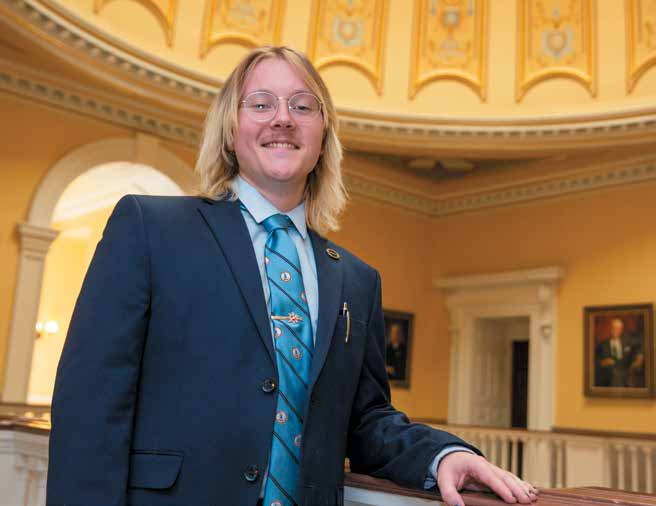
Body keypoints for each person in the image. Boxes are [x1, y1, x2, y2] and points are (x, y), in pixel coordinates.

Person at [47, 46, 538, 506]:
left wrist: (446, 455)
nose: (283, 118)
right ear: (230, 129)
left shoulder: (358, 280)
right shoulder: (149, 229)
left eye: (303, 107)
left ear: (323, 138)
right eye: (260, 104)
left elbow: (366, 420)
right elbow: (91, 406)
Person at [594, 317, 645, 388]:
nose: (615, 331)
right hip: (609, 379)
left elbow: (640, 345)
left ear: (621, 330)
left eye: (618, 329)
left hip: (626, 377)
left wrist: (640, 357)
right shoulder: (603, 345)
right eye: (613, 328)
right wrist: (603, 362)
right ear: (610, 329)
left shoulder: (628, 341)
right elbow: (595, 361)